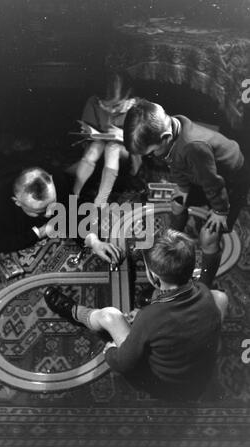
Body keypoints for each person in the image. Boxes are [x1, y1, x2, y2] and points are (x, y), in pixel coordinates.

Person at [43, 229, 228, 401]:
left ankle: (73, 312)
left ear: (153, 277)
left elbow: (124, 363)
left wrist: (111, 351)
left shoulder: (149, 318)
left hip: (163, 386)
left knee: (111, 316)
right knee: (220, 297)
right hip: (198, 380)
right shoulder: (204, 291)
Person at [123, 99, 250, 287]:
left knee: (209, 235)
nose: (152, 156)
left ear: (166, 137)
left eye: (151, 152)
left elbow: (213, 183)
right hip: (202, 173)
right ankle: (170, 245)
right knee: (177, 202)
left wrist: (219, 212)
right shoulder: (172, 131)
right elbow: (175, 163)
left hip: (229, 183)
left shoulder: (193, 147)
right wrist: (182, 189)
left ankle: (205, 283)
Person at [0, 164, 121, 264]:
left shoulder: (58, 181)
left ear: (51, 180)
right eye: (41, 211)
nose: (51, 213)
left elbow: (73, 215)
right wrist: (39, 233)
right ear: (17, 202)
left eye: (53, 203)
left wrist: (94, 242)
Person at [72, 70, 137, 206]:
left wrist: (124, 135)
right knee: (95, 147)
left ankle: (101, 198)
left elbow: (143, 140)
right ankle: (75, 192)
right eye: (105, 105)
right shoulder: (93, 102)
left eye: (116, 105)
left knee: (112, 147)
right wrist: (89, 133)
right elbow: (87, 131)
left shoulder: (137, 107)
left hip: (126, 153)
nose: (111, 110)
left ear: (128, 95)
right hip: (99, 152)